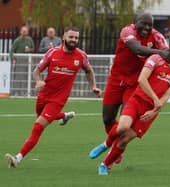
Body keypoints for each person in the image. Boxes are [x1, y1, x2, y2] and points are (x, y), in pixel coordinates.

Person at [89, 33, 170, 175]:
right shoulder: (156, 58)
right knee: (122, 127)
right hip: (137, 100)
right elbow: (142, 79)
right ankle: (106, 144)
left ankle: (104, 164)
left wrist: (154, 110)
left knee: (124, 140)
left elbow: (166, 95)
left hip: (150, 111)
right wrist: (155, 99)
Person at [5, 26, 102, 168]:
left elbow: (88, 70)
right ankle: (64, 116)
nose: (74, 40)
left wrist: (93, 86)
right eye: (71, 37)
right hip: (44, 95)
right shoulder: (52, 53)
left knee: (38, 126)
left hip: (58, 100)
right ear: (64, 37)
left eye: (76, 37)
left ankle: (18, 158)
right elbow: (37, 70)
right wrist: (38, 81)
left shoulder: (81, 56)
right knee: (40, 115)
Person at [101, 12, 168, 135]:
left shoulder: (157, 36)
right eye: (143, 23)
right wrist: (159, 52)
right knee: (107, 119)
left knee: (125, 120)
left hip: (135, 82)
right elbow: (137, 49)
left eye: (150, 25)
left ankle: (116, 152)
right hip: (116, 79)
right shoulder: (127, 31)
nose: (147, 28)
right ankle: (114, 143)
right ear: (135, 22)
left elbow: (166, 53)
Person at [9, 26, 35, 96]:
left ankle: (27, 92)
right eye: (23, 31)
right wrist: (13, 59)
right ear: (20, 32)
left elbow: (33, 48)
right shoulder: (17, 40)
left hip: (28, 61)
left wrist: (29, 50)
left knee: (28, 76)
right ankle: (17, 92)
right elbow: (11, 51)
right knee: (19, 77)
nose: (24, 32)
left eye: (25, 31)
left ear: (27, 32)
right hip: (20, 61)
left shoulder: (30, 39)